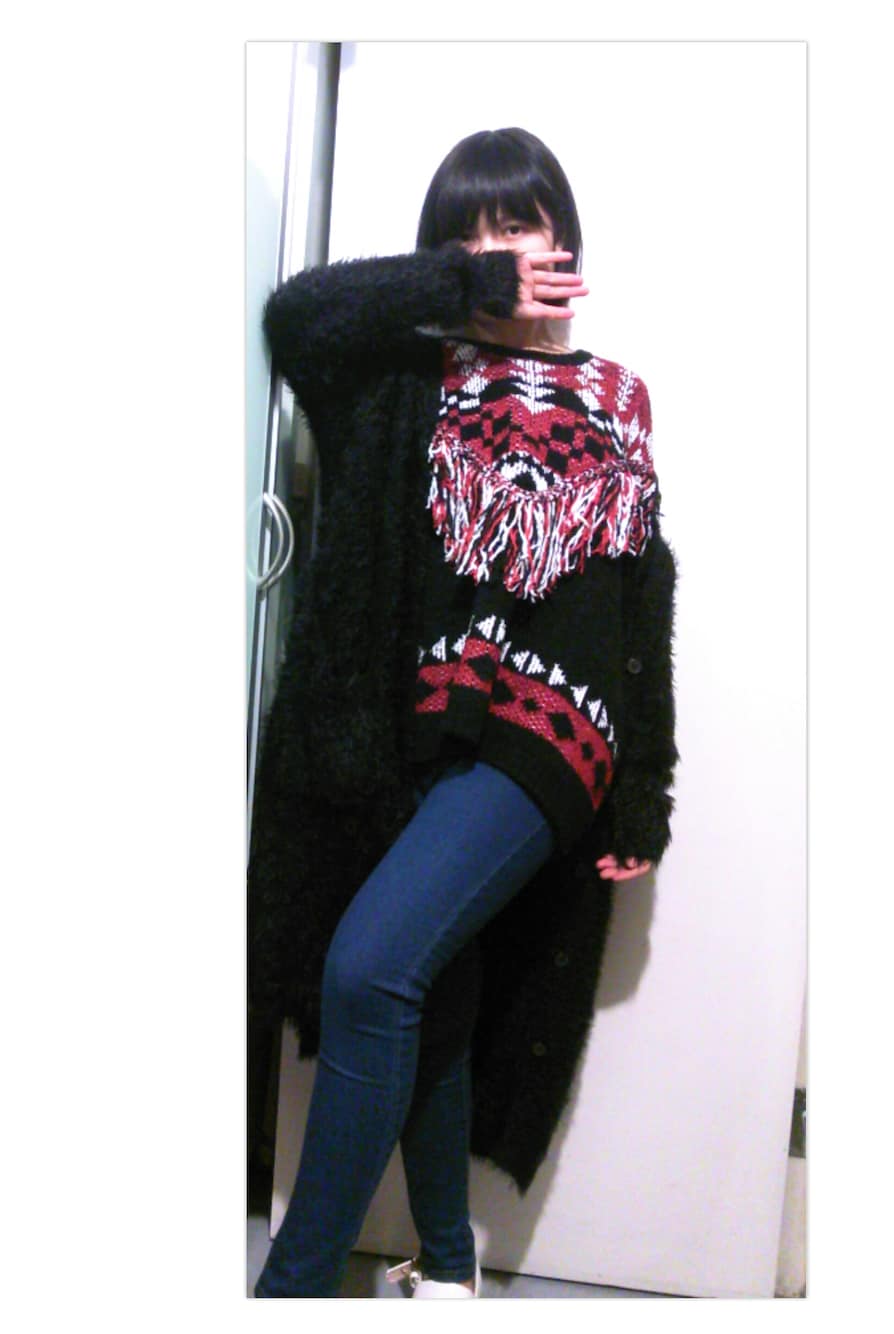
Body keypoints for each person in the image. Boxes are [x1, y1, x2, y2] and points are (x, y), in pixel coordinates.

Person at [249, 127, 680, 1298]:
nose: (498, 246)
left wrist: (644, 783)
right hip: (426, 732)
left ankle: (292, 1289)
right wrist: (464, 287)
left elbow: (641, 591)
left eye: (517, 223)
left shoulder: (615, 393)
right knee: (428, 994)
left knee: (367, 970)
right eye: (469, 232)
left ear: (562, 239)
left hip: (553, 733)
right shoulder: (412, 375)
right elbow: (298, 316)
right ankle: (446, 1269)